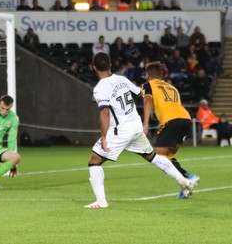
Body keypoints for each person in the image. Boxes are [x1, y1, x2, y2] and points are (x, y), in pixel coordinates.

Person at [85, 53, 195, 209]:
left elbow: (105, 112)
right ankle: (183, 180)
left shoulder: (100, 88)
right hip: (135, 127)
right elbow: (141, 93)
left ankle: (101, 201)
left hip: (120, 131)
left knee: (94, 161)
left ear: (94, 67)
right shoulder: (122, 80)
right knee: (153, 156)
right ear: (110, 65)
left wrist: (103, 137)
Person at [142, 61, 200, 199]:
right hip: (185, 119)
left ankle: (188, 176)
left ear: (147, 75)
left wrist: (145, 123)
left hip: (171, 121)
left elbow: (147, 100)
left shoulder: (147, 85)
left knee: (159, 157)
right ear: (161, 75)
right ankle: (185, 186)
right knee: (168, 156)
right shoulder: (172, 88)